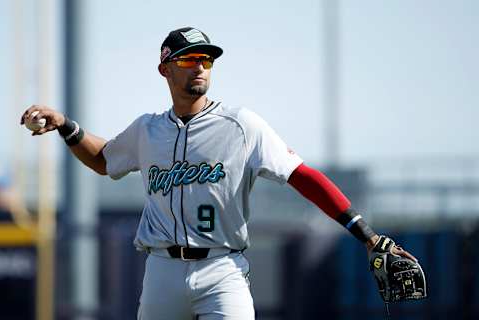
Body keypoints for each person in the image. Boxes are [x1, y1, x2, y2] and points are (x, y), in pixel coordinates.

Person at [21, 27, 417, 320]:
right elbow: (105, 160)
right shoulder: (147, 129)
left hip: (222, 270)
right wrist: (65, 126)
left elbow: (303, 177)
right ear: (165, 70)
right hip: (161, 270)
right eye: (188, 60)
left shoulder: (242, 125)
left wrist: (366, 235)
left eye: (206, 60)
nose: (199, 68)